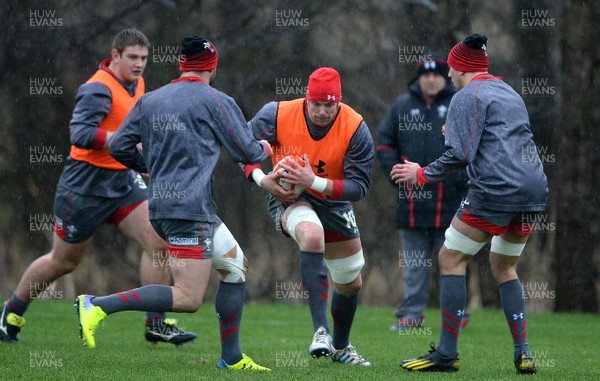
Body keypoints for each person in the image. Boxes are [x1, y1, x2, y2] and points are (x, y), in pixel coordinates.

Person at [76, 36, 272, 371]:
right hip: (187, 210)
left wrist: (149, 167)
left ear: (181, 64)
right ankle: (97, 305)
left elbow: (120, 146)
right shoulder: (216, 100)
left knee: (236, 267)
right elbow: (249, 152)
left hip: (175, 206)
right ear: (213, 65)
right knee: (187, 298)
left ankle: (232, 358)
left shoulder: (150, 100)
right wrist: (270, 147)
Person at [0, 28, 196, 346]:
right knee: (64, 261)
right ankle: (11, 312)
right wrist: (124, 142)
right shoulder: (96, 89)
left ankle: (156, 322)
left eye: (144, 58)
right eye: (132, 57)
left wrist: (147, 157)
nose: (139, 64)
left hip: (122, 182)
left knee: (159, 241)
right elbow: (80, 134)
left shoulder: (138, 84)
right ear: (115, 55)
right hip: (85, 185)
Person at [396, 34, 547, 374]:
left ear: (461, 68)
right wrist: (459, 134)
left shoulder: (466, 95)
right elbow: (500, 143)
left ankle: (447, 354)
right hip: (533, 190)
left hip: (495, 190)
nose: (448, 76)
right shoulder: (509, 92)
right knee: (504, 266)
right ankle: (523, 353)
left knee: (451, 257)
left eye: (451, 69)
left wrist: (421, 174)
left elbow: (460, 156)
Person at [243, 67, 374, 366]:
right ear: (306, 98)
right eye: (316, 104)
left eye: (330, 105)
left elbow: (359, 187)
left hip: (334, 201)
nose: (322, 111)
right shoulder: (276, 114)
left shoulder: (355, 127)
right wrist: (263, 180)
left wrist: (312, 180)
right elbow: (243, 148)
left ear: (339, 102)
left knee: (351, 282)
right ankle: (320, 331)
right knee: (312, 235)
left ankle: (341, 347)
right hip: (289, 196)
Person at [376, 55, 471, 331]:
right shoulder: (402, 106)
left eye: (437, 75)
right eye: (425, 75)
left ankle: (457, 314)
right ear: (418, 79)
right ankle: (410, 315)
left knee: (454, 258)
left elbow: (472, 147)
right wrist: (398, 175)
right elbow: (383, 143)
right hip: (412, 202)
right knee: (415, 263)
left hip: (452, 203)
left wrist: (461, 179)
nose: (431, 80)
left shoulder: (459, 104)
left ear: (446, 78)